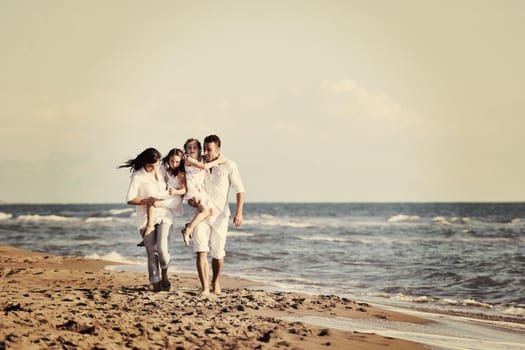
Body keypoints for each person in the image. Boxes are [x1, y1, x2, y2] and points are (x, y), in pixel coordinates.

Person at [192, 135, 245, 297]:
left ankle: (215, 280)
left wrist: (239, 212)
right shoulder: (198, 164)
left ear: (218, 150)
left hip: (221, 215)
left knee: (218, 252)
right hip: (201, 214)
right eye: (205, 149)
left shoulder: (230, 165)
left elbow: (240, 189)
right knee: (201, 250)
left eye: (210, 150)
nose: (206, 153)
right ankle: (205, 287)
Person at [119, 148, 173, 292]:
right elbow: (130, 199)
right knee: (151, 251)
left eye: (156, 165)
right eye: (151, 166)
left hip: (164, 214)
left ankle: (165, 275)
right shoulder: (138, 176)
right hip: (145, 218)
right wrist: (147, 200)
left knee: (162, 249)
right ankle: (154, 281)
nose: (154, 168)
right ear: (144, 163)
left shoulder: (162, 169)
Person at [136, 148, 187, 247]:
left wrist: (176, 191)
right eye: (172, 161)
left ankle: (149, 230)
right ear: (169, 160)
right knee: (151, 199)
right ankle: (148, 233)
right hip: (168, 195)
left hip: (175, 198)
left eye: (177, 162)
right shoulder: (166, 170)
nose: (174, 164)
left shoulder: (180, 174)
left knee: (153, 202)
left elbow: (184, 190)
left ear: (180, 162)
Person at [180, 138, 225, 247]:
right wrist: (218, 161)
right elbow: (204, 167)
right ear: (185, 150)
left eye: (194, 147)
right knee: (205, 211)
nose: (192, 149)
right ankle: (188, 229)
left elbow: (216, 153)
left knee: (210, 211)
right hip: (193, 190)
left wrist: (219, 156)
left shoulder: (201, 158)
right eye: (189, 148)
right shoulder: (188, 159)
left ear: (199, 150)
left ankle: (189, 226)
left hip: (201, 190)